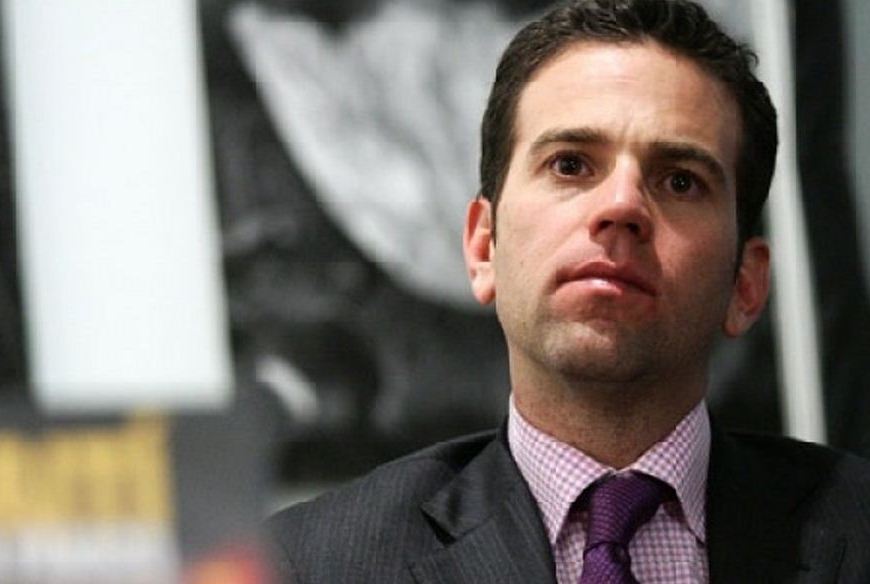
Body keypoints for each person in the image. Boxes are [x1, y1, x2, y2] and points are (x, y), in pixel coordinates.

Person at [267, 0, 870, 582]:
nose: (622, 205)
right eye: (571, 165)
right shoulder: (309, 566)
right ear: (483, 248)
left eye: (681, 181)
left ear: (746, 283)